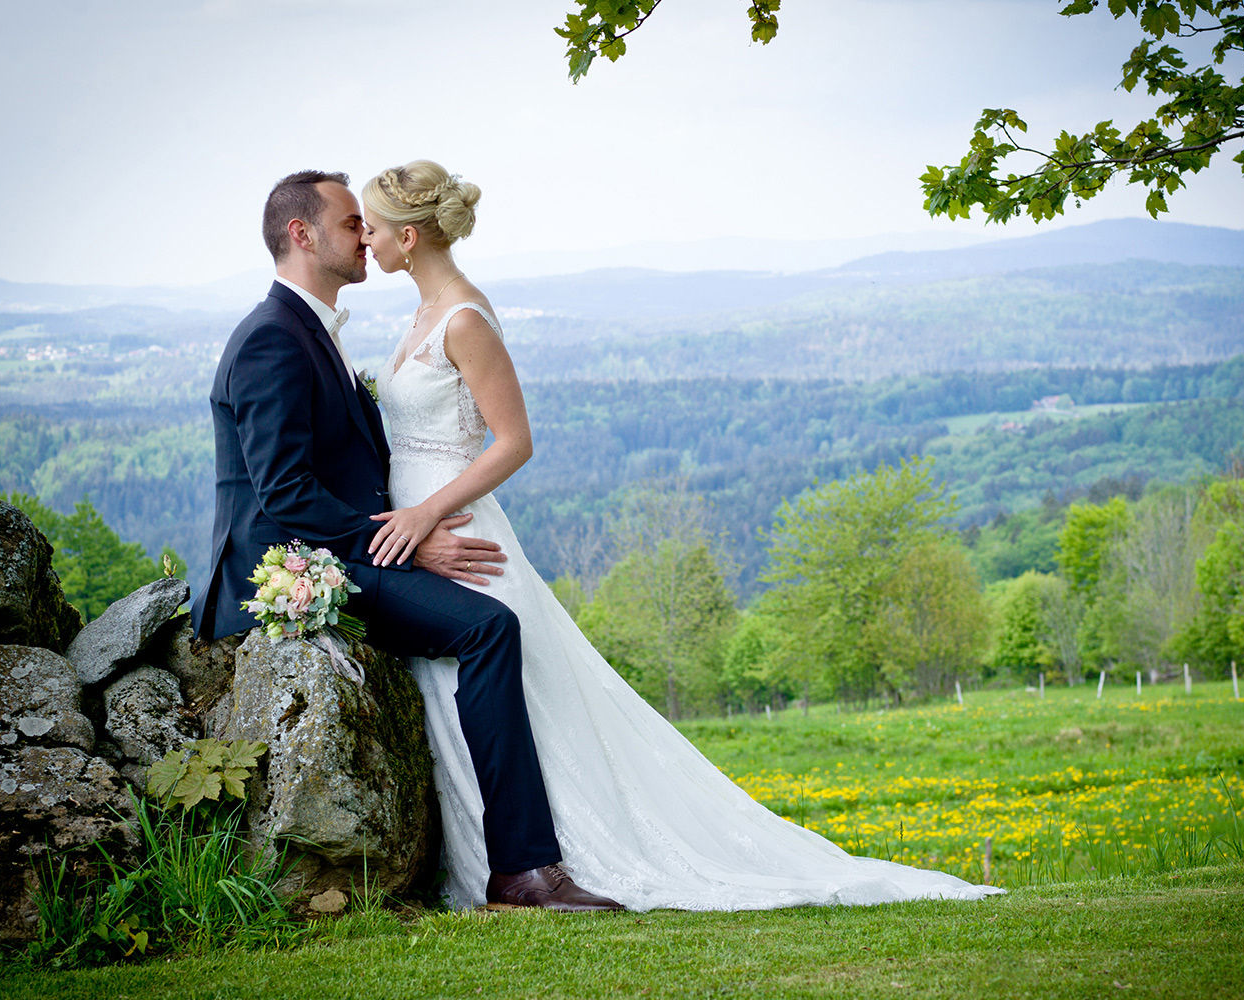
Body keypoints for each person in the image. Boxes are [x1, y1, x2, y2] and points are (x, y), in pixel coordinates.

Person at [360, 159, 1005, 910]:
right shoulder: (416, 316)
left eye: (372, 228)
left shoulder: (465, 320)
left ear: (408, 238)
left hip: (458, 531)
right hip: (414, 534)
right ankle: (481, 861)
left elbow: (513, 441)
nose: (365, 239)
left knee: (529, 700)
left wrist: (426, 514)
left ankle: (544, 859)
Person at [191, 170, 623, 913]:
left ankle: (515, 862)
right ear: (303, 235)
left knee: (486, 623)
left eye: (369, 224)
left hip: (342, 549)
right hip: (295, 567)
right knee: (489, 626)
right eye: (351, 223)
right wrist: (412, 543)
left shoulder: (308, 331)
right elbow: (285, 496)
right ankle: (522, 871)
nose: (366, 236)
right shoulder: (272, 339)